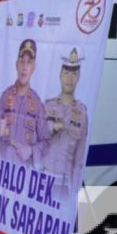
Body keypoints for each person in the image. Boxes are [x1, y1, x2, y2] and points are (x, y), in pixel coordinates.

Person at [0, 38, 49, 166]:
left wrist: (31, 150)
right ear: (16, 64)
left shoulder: (37, 102)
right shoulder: (5, 96)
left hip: (23, 177)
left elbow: (46, 143)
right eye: (22, 62)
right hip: (1, 171)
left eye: (29, 62)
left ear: (34, 67)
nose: (24, 67)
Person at [36, 47, 88, 203]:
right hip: (42, 180)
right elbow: (34, 138)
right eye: (66, 73)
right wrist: (52, 127)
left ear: (78, 76)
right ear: (60, 75)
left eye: (74, 73)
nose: (69, 79)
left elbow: (79, 160)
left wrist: (74, 196)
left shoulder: (82, 113)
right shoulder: (47, 106)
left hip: (63, 185)